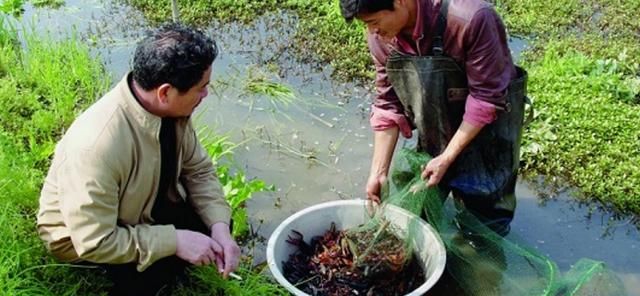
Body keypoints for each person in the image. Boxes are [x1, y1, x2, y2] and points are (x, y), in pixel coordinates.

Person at [36, 23, 240, 296]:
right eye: (201, 88)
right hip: (87, 240)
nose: (206, 95)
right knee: (153, 276)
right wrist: (174, 241)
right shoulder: (95, 146)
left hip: (138, 208)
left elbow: (199, 171)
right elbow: (94, 241)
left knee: (217, 222)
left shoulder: (172, 111)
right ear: (165, 92)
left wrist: (219, 228)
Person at [339, 0, 527, 236]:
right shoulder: (381, 38)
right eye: (366, 25)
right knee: (416, 217)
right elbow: (388, 104)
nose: (372, 32)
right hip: (435, 128)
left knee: (484, 227)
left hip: (488, 137)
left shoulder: (472, 19)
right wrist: (378, 172)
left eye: (374, 22)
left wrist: (447, 157)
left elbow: (486, 99)